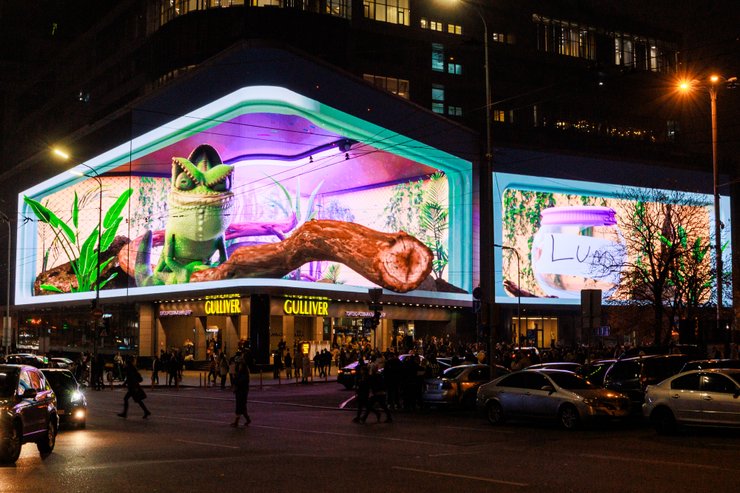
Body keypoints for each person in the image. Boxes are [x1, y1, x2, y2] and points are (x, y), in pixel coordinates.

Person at [230, 362, 251, 427]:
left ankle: (236, 422)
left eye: (240, 366)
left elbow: (240, 382)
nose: (239, 367)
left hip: (242, 393)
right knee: (242, 407)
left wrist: (235, 378)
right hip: (239, 392)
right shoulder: (239, 373)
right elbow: (236, 382)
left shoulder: (245, 375)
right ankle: (248, 419)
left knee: (240, 406)